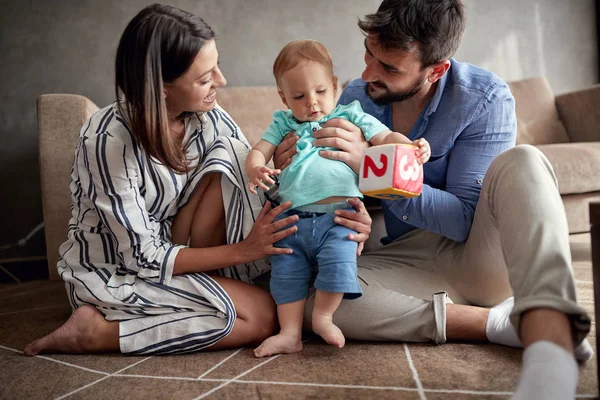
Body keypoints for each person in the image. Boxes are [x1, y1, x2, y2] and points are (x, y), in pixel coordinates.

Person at [270, 1, 592, 399]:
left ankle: (551, 337)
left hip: (476, 256)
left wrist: (373, 167)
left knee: (524, 161)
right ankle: (494, 324)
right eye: (369, 55)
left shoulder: (483, 99)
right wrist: (287, 166)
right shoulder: (355, 97)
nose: (368, 73)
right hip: (400, 255)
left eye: (389, 68)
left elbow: (464, 221)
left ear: (436, 69)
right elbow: (334, 195)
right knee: (310, 303)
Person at [246, 39, 430, 357]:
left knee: (339, 266)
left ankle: (322, 317)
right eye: (299, 96)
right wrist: (256, 168)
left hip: (340, 215)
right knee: (285, 275)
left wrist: (410, 146)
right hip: (291, 217)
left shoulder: (351, 115)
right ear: (283, 97)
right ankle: (289, 333)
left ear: (334, 86)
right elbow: (257, 151)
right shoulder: (282, 123)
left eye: (320, 91)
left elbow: (385, 138)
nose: (312, 103)